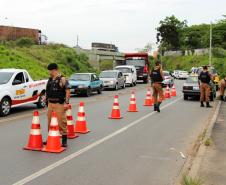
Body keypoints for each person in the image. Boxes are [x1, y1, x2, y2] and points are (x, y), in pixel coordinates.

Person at [45, 63, 70, 147]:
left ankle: (64, 139)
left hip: (59, 103)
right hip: (50, 103)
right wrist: (46, 98)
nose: (49, 72)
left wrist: (66, 103)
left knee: (61, 121)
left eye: (50, 71)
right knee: (49, 121)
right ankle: (51, 137)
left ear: (54, 70)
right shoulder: (50, 79)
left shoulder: (62, 79)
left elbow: (67, 91)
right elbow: (47, 90)